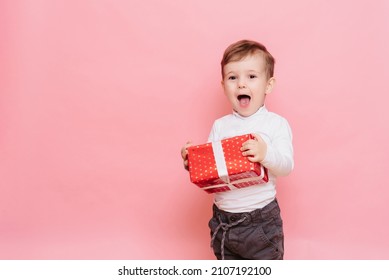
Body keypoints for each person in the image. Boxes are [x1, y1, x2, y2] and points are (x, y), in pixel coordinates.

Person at [181, 40, 294, 260]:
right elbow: (213, 172)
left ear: (268, 85)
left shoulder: (275, 124)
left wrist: (266, 153)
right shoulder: (220, 126)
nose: (241, 84)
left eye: (251, 76)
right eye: (233, 77)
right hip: (223, 222)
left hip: (261, 222)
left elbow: (287, 166)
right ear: (224, 86)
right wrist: (193, 163)